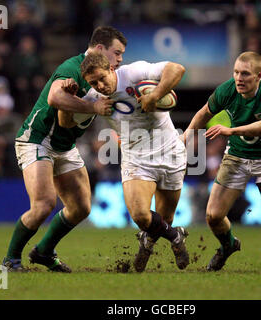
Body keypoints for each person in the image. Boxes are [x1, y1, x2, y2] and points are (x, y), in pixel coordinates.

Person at [2, 26, 127, 272]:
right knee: (43, 205)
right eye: (118, 52)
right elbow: (53, 99)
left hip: (65, 146)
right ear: (100, 49)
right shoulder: (72, 68)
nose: (120, 59)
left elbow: (66, 120)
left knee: (81, 207)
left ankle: (44, 251)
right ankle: (11, 260)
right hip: (37, 140)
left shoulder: (109, 75)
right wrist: (93, 108)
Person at [59, 52, 189, 272]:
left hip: (170, 153)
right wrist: (69, 102)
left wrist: (155, 95)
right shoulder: (94, 98)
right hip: (136, 159)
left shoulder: (133, 72)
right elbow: (66, 123)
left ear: (111, 69)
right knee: (140, 215)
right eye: (93, 83)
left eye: (102, 78)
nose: (99, 85)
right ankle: (176, 236)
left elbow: (177, 69)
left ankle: (146, 245)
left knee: (163, 218)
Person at [183, 51, 261, 272]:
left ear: (260, 76)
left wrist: (231, 130)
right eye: (236, 72)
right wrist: (185, 136)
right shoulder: (227, 89)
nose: (239, 78)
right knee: (213, 216)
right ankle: (228, 245)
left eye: (245, 74)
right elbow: (204, 113)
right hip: (237, 157)